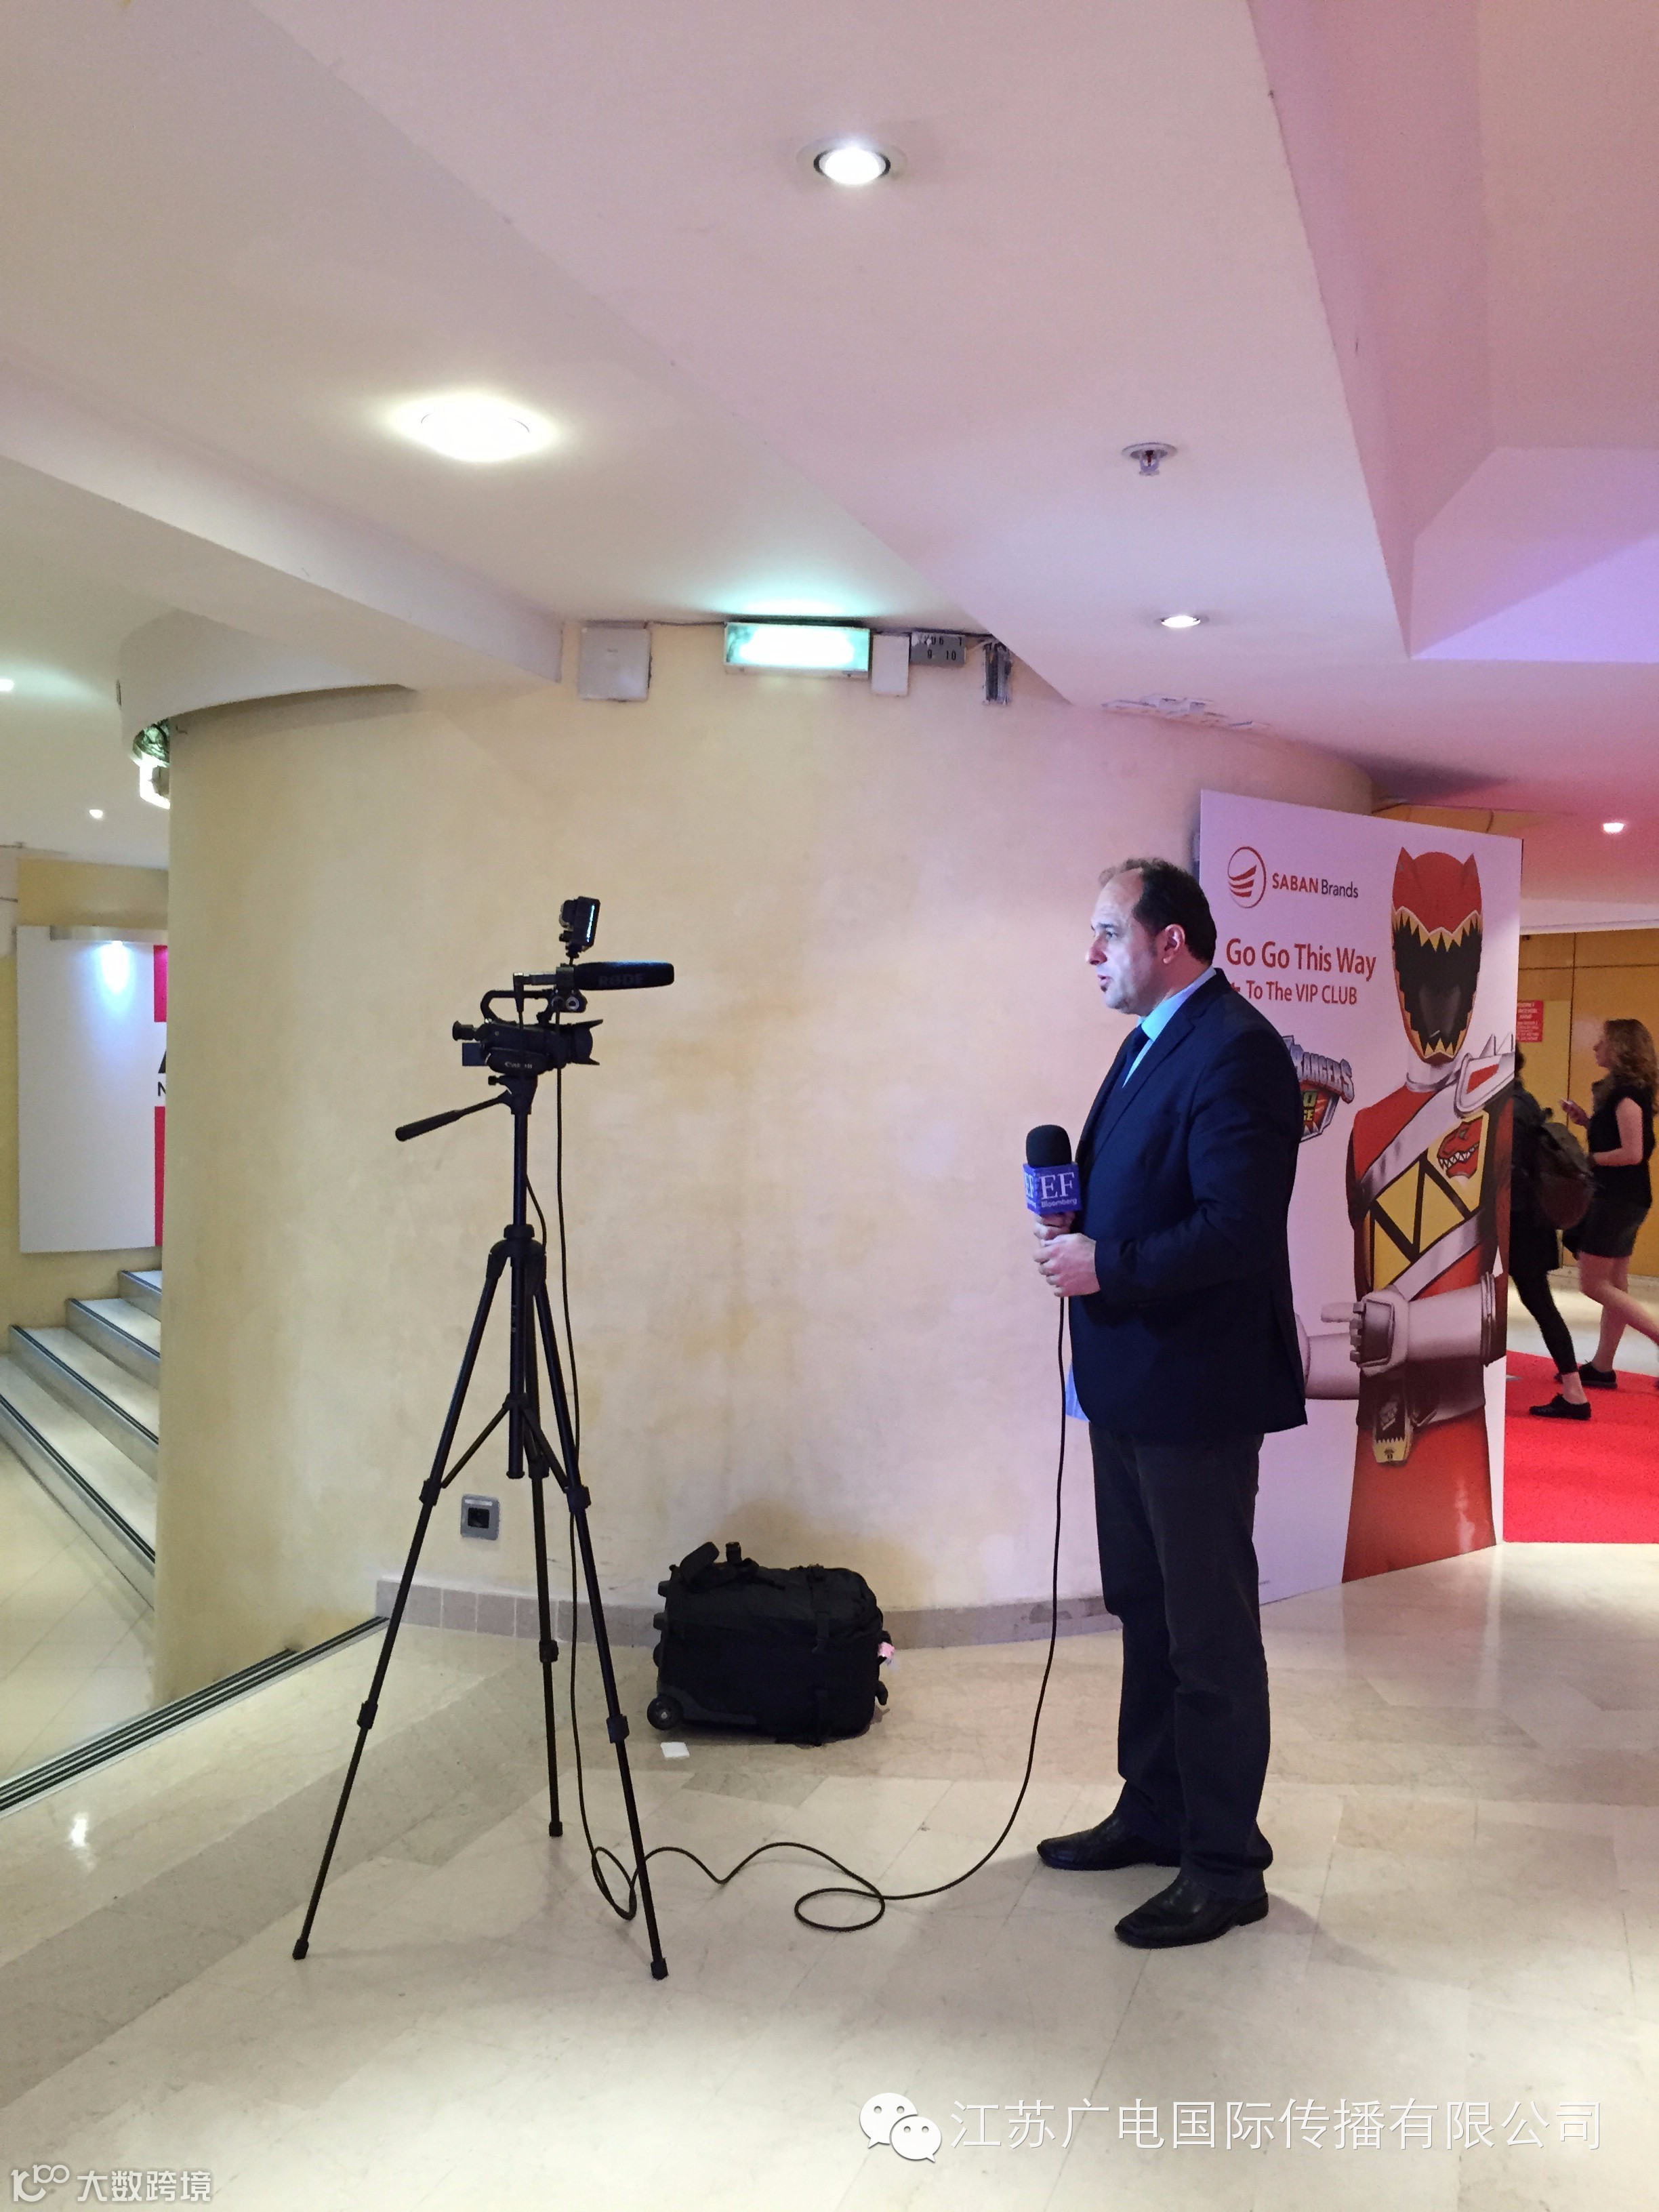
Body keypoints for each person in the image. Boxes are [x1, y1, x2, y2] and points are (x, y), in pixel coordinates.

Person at [1031, 857, 1305, 1949]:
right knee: (1146, 1610)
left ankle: (1226, 1864)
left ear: (1170, 941)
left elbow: (1237, 1228)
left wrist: (1109, 1265)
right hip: (1128, 1383)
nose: (1091, 954)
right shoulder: (1152, 1041)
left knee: (1209, 1635)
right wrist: (1080, 1234)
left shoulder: (1238, 1050)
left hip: (1195, 1392)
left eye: (1108, 933)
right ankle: (1153, 1812)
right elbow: (1149, 1190)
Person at [1563, 1018, 1659, 1385]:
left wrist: (1588, 1160)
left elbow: (1633, 1153)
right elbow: (1621, 1141)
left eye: (1603, 1041)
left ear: (1620, 1048)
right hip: (1628, 1198)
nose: (1596, 1047)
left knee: (1592, 1284)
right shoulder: (1626, 1094)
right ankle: (1602, 1367)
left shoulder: (1626, 1097)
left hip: (1617, 1199)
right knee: (1615, 1284)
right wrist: (1588, 1123)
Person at [1509, 1054, 1589, 1420]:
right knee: (1539, 1301)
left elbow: (1508, 1169)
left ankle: (1575, 1393)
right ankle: (1574, 1391)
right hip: (1533, 1220)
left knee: (1538, 1302)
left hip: (1519, 1221)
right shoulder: (1525, 1100)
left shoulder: (1510, 1107)